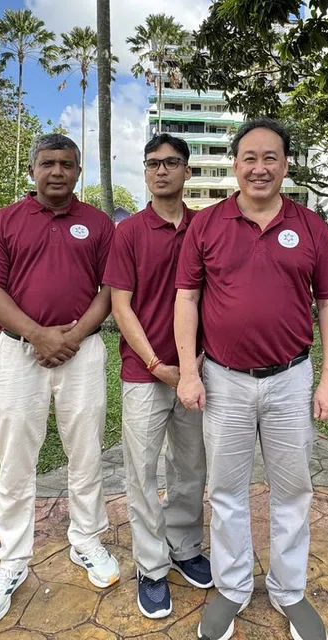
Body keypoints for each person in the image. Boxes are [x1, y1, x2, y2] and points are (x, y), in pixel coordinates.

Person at [174, 118, 328, 640]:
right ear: (235, 165)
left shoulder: (311, 226)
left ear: (286, 164)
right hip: (223, 379)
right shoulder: (207, 224)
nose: (259, 167)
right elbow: (187, 298)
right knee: (227, 490)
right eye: (249, 157)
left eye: (271, 157)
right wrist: (188, 371)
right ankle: (232, 587)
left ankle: (289, 591)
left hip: (291, 378)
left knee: (293, 490)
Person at [0, 134, 119, 624]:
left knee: (86, 452)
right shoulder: (5, 221)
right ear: (33, 169)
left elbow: (109, 290)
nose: (57, 171)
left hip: (82, 352)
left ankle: (86, 540)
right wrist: (38, 335)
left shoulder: (98, 223)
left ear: (78, 171)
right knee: (16, 458)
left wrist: (70, 337)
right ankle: (12, 559)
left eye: (67, 164)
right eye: (48, 163)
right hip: (19, 354)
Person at [104, 134, 212, 619]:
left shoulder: (205, 227)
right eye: (153, 163)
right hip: (144, 372)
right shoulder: (128, 232)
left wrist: (193, 365)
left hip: (198, 372)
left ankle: (185, 547)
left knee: (191, 467)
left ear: (187, 171)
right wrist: (156, 364)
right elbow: (120, 306)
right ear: (145, 172)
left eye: (171, 163)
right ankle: (151, 566)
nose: (161, 170)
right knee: (142, 471)